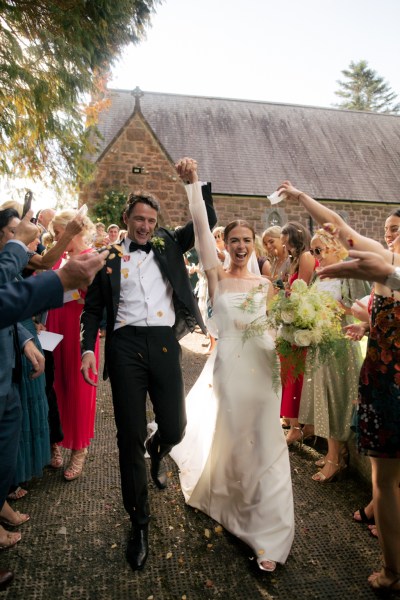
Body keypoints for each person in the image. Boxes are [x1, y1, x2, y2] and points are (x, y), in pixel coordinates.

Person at [80, 157, 217, 572]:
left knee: (175, 426)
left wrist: (193, 183)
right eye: (138, 218)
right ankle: (138, 522)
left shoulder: (168, 244)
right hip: (123, 348)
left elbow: (205, 218)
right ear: (126, 218)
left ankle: (160, 451)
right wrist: (89, 348)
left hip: (161, 344)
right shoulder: (105, 258)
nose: (144, 226)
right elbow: (91, 310)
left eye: (151, 220)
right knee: (128, 436)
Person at [170, 160, 294, 573]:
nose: (240, 246)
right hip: (229, 372)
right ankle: (231, 504)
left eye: (247, 240)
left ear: (255, 245)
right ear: (228, 244)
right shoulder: (218, 277)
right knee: (235, 441)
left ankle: (270, 534)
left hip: (263, 371)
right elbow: (203, 235)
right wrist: (193, 188)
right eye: (235, 240)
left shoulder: (265, 286)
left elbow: (275, 329)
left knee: (267, 445)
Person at [277, 181, 400, 593]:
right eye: (391, 231)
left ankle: (391, 572)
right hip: (382, 385)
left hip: (390, 387)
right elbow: (337, 224)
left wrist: (391, 275)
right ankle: (392, 565)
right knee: (385, 482)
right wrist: (300, 198)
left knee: (386, 482)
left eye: (397, 231)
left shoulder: (387, 266)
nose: (391, 236)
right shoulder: (384, 260)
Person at [298, 228, 367, 482]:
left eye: (320, 250)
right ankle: (335, 453)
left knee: (335, 399)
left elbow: (363, 308)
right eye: (313, 251)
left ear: (335, 247)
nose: (316, 256)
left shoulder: (348, 274)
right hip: (319, 344)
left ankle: (334, 459)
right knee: (322, 397)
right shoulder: (321, 277)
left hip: (339, 345)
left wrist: (336, 308)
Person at [46, 210, 99, 480]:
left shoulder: (92, 257)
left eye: (59, 234)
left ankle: (79, 449)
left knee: (78, 389)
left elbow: (100, 300)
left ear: (74, 231)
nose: (57, 239)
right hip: (53, 326)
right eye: (55, 235)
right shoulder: (56, 259)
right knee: (54, 386)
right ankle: (54, 442)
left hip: (78, 328)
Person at [279, 221, 316, 445]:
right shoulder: (295, 259)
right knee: (290, 371)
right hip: (293, 321)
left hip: (300, 321)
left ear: (296, 239)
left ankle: (296, 428)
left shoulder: (306, 257)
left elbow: (302, 290)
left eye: (288, 243)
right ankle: (302, 426)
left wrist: (286, 294)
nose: (286, 248)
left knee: (294, 373)